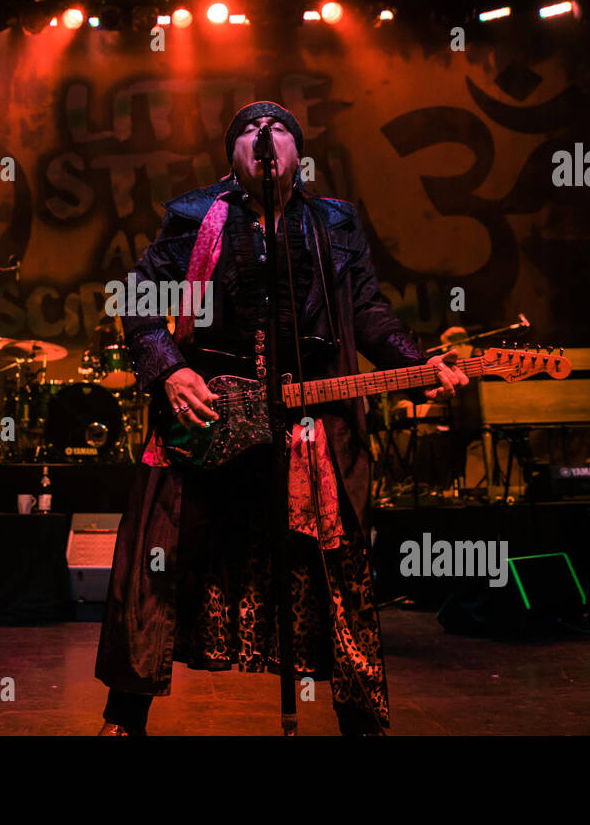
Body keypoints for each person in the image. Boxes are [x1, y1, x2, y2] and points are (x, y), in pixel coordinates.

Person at [94, 102, 468, 735]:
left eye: (280, 130)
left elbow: (369, 311)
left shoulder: (335, 222)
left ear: (299, 151)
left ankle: (362, 720)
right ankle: (125, 716)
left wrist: (418, 363)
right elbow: (136, 302)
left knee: (333, 567)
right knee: (160, 557)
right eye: (248, 129)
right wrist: (169, 370)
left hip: (310, 417)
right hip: (207, 418)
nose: (264, 137)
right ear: (230, 152)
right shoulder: (192, 217)